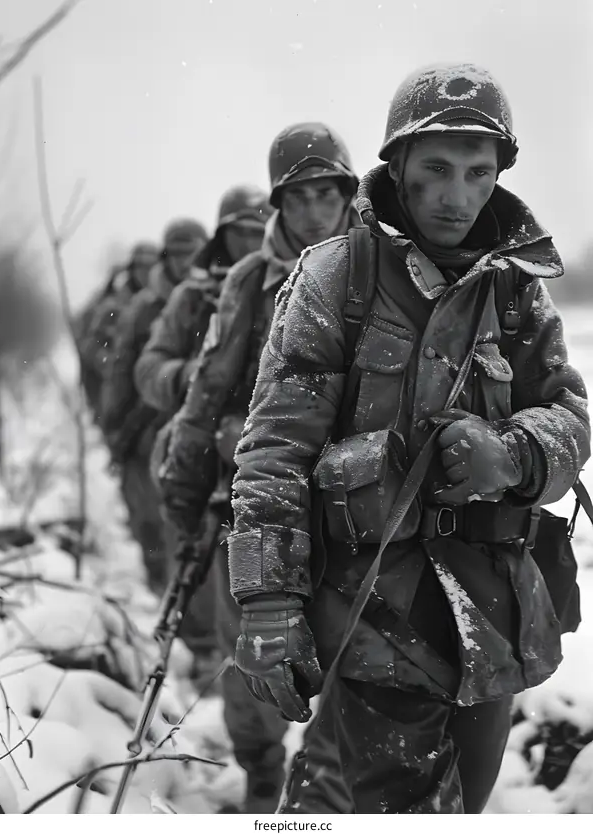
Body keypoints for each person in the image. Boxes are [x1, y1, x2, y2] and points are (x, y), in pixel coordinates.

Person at [226, 64, 591, 814]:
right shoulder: (336, 279)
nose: (456, 195)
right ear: (397, 165)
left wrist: (514, 453)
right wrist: (267, 601)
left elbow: (570, 415)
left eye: (477, 173)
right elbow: (275, 452)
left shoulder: (516, 286)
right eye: (435, 170)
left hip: (492, 612)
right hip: (376, 612)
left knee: (468, 801)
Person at [156, 123, 360, 813]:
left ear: (348, 193)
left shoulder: (384, 265)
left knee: (358, 675)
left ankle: (322, 795)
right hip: (248, 503)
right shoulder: (248, 283)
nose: (314, 213)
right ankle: (263, 774)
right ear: (280, 202)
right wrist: (187, 493)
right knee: (255, 668)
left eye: (327, 194)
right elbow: (203, 394)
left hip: (356, 511)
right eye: (298, 197)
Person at [100, 218, 208, 593]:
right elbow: (122, 368)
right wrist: (115, 427)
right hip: (149, 427)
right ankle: (162, 591)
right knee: (153, 520)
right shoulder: (143, 308)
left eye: (192, 252)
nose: (185, 262)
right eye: (177, 254)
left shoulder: (218, 294)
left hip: (203, 430)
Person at [134, 186, 272, 417]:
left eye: (257, 233)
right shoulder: (192, 297)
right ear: (221, 236)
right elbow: (147, 370)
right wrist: (188, 375)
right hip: (199, 427)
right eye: (238, 232)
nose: (248, 243)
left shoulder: (286, 290)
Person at [75, 241, 159, 420]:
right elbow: (90, 345)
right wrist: (108, 362)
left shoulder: (162, 303)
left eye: (151, 266)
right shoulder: (114, 307)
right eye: (141, 267)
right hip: (120, 393)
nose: (146, 272)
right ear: (132, 270)